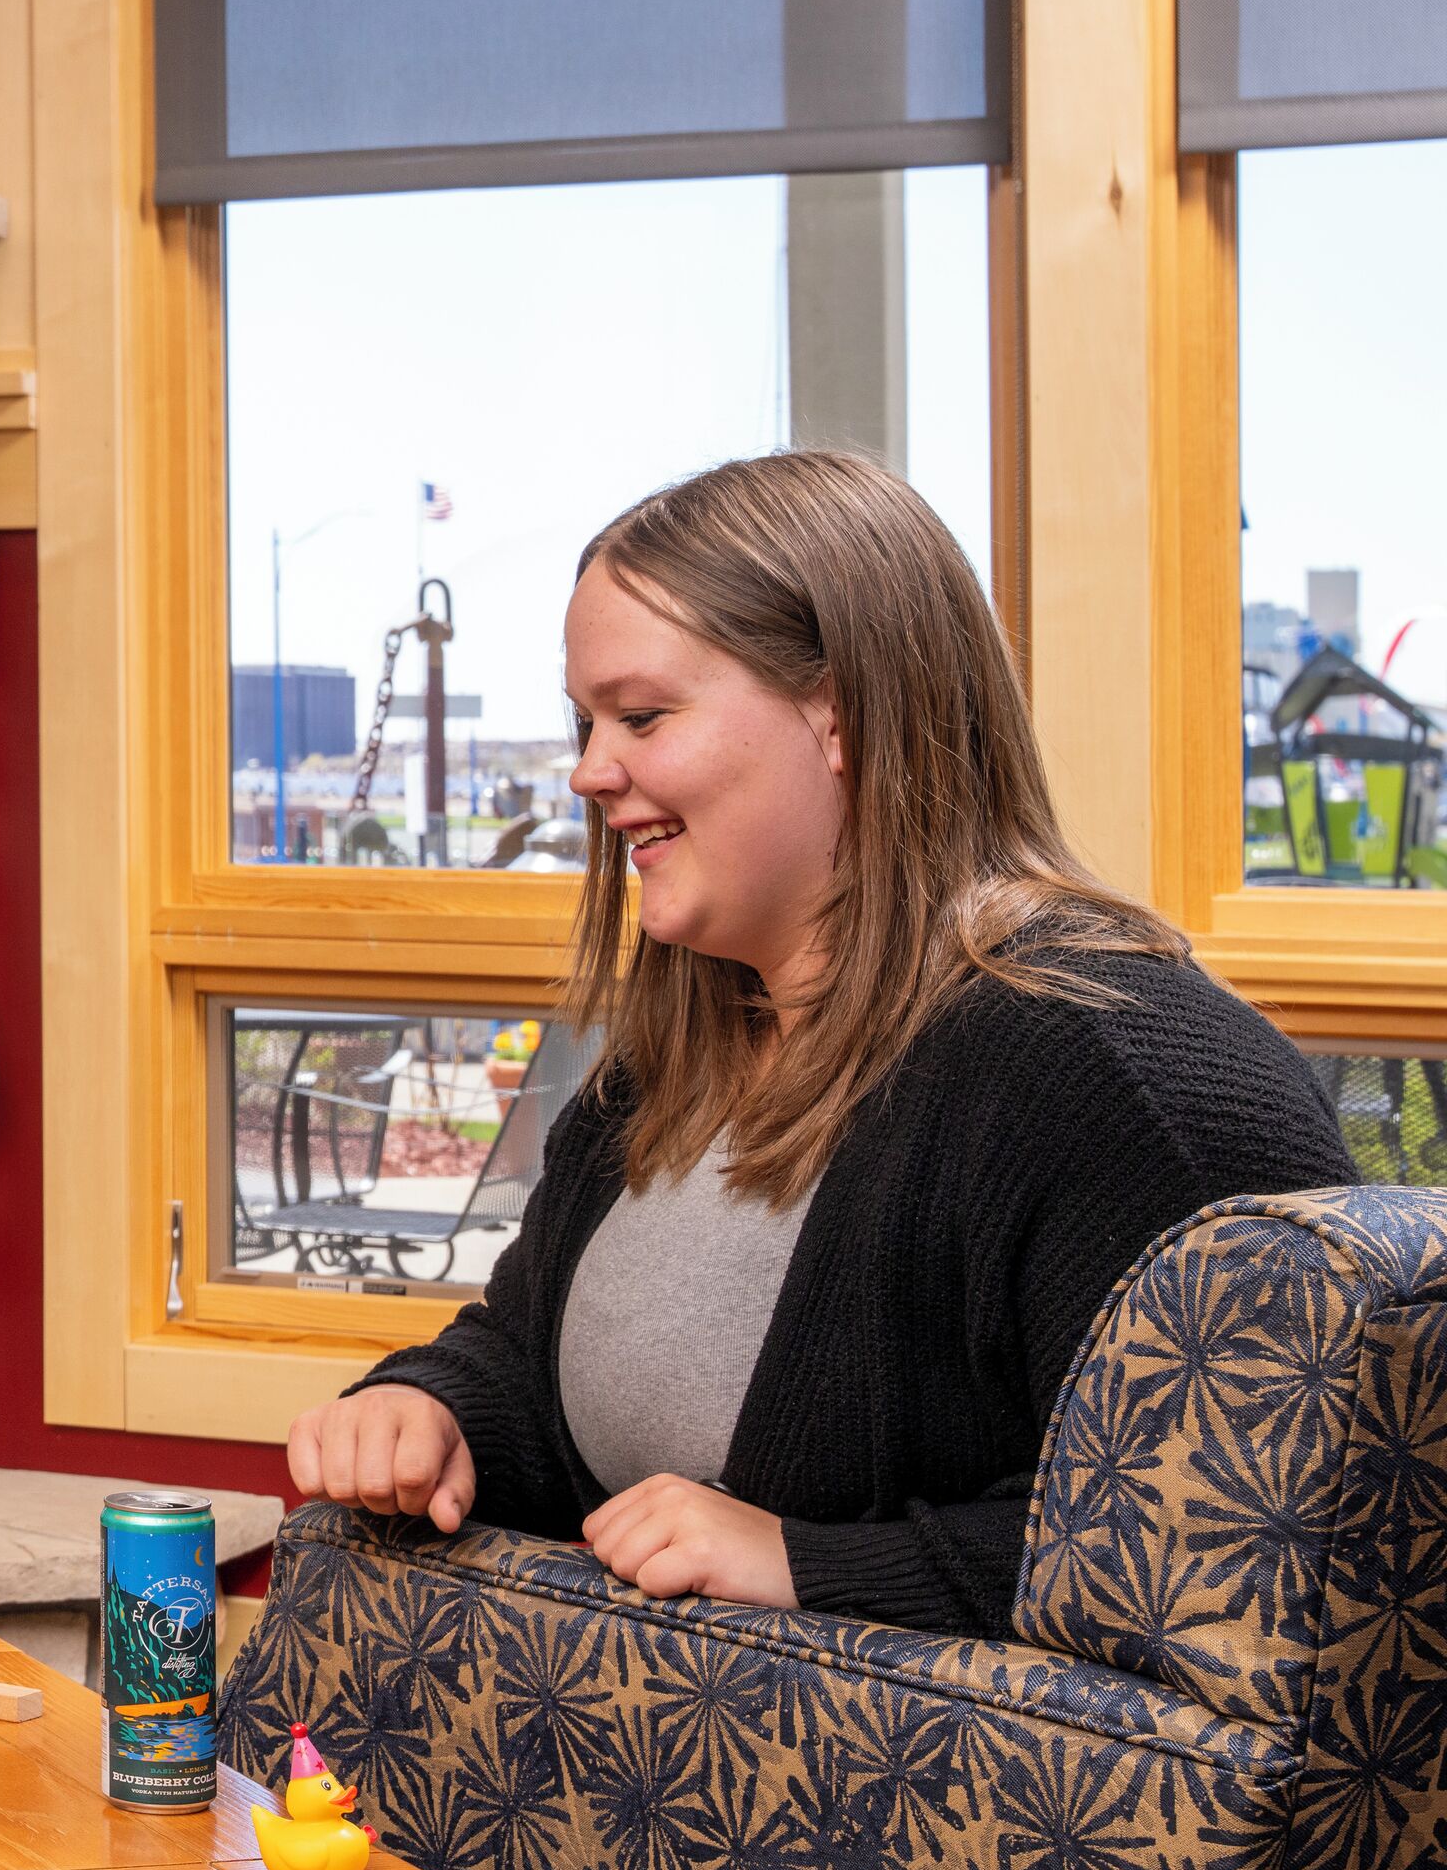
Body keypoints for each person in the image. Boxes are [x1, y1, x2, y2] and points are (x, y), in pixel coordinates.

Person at [284, 449, 1352, 1638]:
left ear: (839, 714)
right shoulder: (677, 1052)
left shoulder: (1121, 1071)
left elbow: (1253, 1550)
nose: (588, 771)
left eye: (641, 715)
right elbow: (534, 1366)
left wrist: (812, 1563)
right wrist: (433, 1411)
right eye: (584, 720)